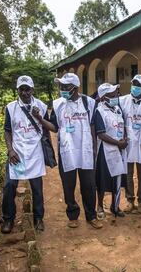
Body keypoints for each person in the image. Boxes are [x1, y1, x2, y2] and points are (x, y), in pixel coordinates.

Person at [32, 73, 103, 229]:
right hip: (67, 150)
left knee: (89, 185)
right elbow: (54, 127)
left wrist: (94, 148)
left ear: (75, 88)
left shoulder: (89, 103)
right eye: (60, 86)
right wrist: (39, 118)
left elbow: (93, 126)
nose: (62, 89)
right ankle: (72, 215)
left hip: (86, 151)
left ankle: (91, 216)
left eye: (65, 87)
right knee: (68, 185)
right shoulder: (58, 104)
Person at [1, 75, 48, 233]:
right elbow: (7, 130)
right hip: (17, 153)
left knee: (37, 187)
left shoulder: (41, 106)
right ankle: (8, 219)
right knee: (9, 185)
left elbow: (50, 128)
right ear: (18, 90)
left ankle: (39, 218)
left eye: (28, 89)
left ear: (32, 90)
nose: (25, 93)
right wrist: (10, 150)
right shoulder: (10, 107)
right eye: (22, 89)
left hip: (35, 152)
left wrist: (39, 117)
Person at [119, 74, 141, 214]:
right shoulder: (122, 101)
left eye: (138, 85)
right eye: (133, 84)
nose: (135, 87)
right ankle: (129, 200)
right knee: (127, 172)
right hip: (127, 143)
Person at [94, 83, 128, 219]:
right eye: (113, 95)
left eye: (116, 94)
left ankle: (115, 206)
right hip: (106, 150)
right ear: (103, 98)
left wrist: (124, 140)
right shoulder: (99, 111)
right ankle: (100, 206)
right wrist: (118, 143)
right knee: (102, 180)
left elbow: (122, 126)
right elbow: (101, 134)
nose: (116, 96)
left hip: (119, 149)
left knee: (117, 178)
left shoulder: (117, 109)